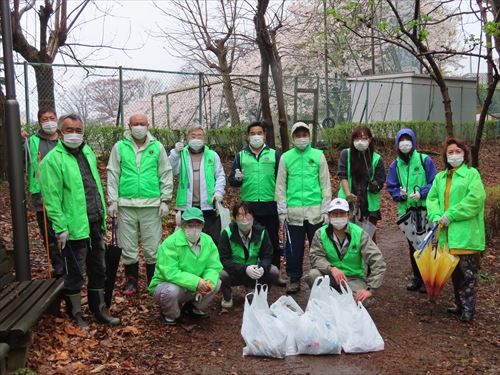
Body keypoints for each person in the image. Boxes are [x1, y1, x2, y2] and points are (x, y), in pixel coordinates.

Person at [39, 113, 120, 329]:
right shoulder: (52, 161)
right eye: (69, 130)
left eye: (78, 130)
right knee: (74, 272)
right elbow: (51, 198)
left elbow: (93, 186)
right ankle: (75, 313)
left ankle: (98, 308)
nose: (74, 134)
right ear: (59, 132)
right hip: (73, 227)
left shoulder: (87, 152)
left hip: (94, 221)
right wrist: (60, 227)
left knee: (98, 268)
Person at [107, 113, 173, 296]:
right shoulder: (119, 147)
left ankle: (154, 279)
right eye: (135, 123)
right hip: (126, 204)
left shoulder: (156, 147)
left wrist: (165, 199)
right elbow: (113, 174)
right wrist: (112, 200)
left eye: (142, 123)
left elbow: (165, 172)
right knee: (128, 246)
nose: (138, 126)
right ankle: (131, 279)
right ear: (128, 126)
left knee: (152, 246)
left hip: (151, 204)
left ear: (148, 125)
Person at [426, 138, 486, 322]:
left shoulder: (471, 174)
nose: (454, 155)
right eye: (450, 152)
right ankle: (459, 304)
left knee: (468, 274)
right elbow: (432, 198)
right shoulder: (440, 177)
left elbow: (475, 199)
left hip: (466, 234)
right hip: (447, 235)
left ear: (464, 153)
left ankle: (468, 308)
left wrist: (451, 214)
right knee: (454, 272)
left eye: (457, 151)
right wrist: (436, 216)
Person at [275, 122, 332, 293]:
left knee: (318, 247)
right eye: (298, 135)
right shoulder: (286, 157)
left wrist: (325, 208)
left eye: (304, 135)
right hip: (293, 212)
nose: (301, 138)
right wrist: (282, 210)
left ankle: (320, 276)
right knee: (293, 248)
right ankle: (294, 278)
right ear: (293, 137)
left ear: (309, 136)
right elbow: (280, 185)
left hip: (315, 211)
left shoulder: (318, 155)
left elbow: (325, 183)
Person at [228, 121, 285, 286]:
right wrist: (237, 179)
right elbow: (232, 181)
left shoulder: (274, 155)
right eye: (253, 133)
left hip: (270, 204)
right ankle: (250, 272)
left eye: (259, 133)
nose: (256, 136)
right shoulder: (241, 156)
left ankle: (274, 273)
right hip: (249, 206)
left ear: (265, 135)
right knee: (250, 239)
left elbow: (282, 179)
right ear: (247, 136)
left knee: (272, 239)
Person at [149, 207, 222, 325]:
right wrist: (196, 282)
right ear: (183, 225)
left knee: (216, 282)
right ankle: (171, 314)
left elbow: (213, 266)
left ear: (202, 225)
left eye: (197, 224)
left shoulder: (208, 241)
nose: (194, 228)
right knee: (171, 291)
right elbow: (170, 272)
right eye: (190, 224)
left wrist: (207, 282)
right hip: (169, 286)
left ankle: (193, 308)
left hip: (192, 287)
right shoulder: (170, 243)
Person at [306, 198, 386, 306]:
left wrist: (370, 289)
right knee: (313, 275)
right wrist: (331, 268)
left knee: (362, 301)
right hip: (330, 276)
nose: (338, 217)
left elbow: (378, 261)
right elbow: (315, 256)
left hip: (353, 279)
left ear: (349, 215)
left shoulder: (359, 233)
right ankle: (327, 302)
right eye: (334, 214)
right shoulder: (320, 233)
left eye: (342, 213)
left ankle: (340, 300)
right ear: (329, 216)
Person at [386, 128, 437, 293]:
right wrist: (399, 195)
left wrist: (421, 193)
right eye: (401, 140)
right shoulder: (395, 164)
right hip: (407, 211)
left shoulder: (424, 160)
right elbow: (391, 185)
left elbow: (434, 182)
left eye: (408, 139)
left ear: (413, 142)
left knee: (426, 243)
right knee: (412, 245)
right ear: (397, 143)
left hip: (424, 210)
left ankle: (428, 278)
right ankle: (417, 277)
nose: (405, 143)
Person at [169, 125, 226, 244]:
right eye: (193, 136)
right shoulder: (181, 154)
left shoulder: (212, 155)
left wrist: (219, 191)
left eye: (199, 136)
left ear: (204, 138)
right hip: (187, 205)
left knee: (210, 239)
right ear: (187, 138)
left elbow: (220, 175)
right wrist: (174, 153)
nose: (196, 138)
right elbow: (172, 170)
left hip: (208, 205)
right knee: (187, 238)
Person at [24, 107, 64, 278]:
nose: (49, 122)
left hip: (64, 193)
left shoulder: (64, 139)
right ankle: (58, 265)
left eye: (52, 118)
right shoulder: (32, 141)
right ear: (40, 122)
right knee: (48, 232)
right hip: (42, 194)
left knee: (66, 229)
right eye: (44, 119)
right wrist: (20, 140)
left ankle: (71, 263)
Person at [218, 202, 279, 308]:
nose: (244, 219)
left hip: (255, 272)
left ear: (253, 216)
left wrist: (262, 268)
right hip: (234, 272)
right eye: (240, 215)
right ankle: (227, 296)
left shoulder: (261, 232)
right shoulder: (227, 234)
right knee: (221, 274)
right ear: (235, 218)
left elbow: (267, 255)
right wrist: (245, 269)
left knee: (274, 271)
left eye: (247, 214)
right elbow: (223, 260)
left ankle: (258, 292)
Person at [337, 125, 385, 242]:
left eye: (364, 138)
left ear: (370, 139)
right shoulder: (346, 154)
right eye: (357, 138)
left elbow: (380, 180)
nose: (360, 141)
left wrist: (375, 186)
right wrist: (348, 194)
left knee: (368, 241)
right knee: (348, 240)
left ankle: (369, 261)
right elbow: (342, 175)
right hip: (348, 204)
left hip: (369, 206)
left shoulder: (377, 159)